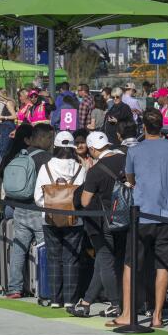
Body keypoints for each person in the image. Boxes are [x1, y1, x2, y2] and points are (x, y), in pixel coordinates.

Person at [111, 109, 168, 329]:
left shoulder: (135, 151)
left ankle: (127, 312)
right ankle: (157, 315)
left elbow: (130, 178)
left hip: (141, 213)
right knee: (163, 264)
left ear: (144, 127)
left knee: (131, 264)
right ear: (162, 126)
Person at [69, 130, 126, 318]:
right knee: (104, 262)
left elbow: (85, 201)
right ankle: (86, 302)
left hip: (106, 221)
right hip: (128, 218)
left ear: (93, 149)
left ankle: (115, 304)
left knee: (105, 261)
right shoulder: (125, 160)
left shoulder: (95, 171)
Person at [34, 128, 87, 310]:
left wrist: (50, 207)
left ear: (55, 146)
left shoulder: (46, 167)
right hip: (74, 219)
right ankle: (71, 299)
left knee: (54, 258)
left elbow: (37, 197)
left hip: (49, 218)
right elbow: (82, 197)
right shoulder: (80, 168)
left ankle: (56, 299)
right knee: (71, 258)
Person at [3, 123, 55, 299]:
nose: (52, 142)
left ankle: (14, 288)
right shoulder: (47, 158)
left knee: (19, 248)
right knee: (43, 248)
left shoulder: (21, 154)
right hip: (37, 210)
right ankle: (44, 288)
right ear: (44, 137)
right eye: (50, 138)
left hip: (19, 207)